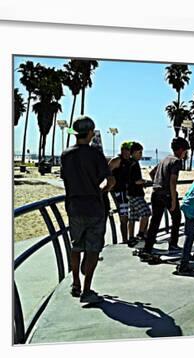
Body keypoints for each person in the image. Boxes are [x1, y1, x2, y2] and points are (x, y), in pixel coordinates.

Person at [60, 116, 115, 304]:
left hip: (74, 207)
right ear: (90, 133)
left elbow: (65, 179)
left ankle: (75, 283)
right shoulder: (95, 154)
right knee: (92, 250)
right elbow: (110, 181)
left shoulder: (66, 155)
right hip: (94, 207)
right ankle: (86, 289)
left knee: (76, 246)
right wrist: (101, 190)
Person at [141, 137, 190, 256]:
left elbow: (152, 172)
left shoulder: (164, 159)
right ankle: (173, 245)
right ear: (180, 150)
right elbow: (173, 182)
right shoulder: (176, 161)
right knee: (177, 218)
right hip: (167, 195)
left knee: (155, 221)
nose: (185, 154)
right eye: (185, 152)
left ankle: (148, 247)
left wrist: (158, 182)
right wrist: (173, 200)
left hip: (156, 193)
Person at [108, 141, 133, 243]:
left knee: (127, 216)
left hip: (127, 192)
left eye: (129, 151)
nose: (128, 153)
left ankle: (128, 238)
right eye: (126, 150)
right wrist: (111, 183)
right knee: (123, 216)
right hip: (119, 191)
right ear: (122, 150)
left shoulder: (130, 162)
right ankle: (124, 239)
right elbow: (107, 171)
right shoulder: (117, 160)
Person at [127, 142, 151, 246]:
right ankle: (140, 234)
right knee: (146, 212)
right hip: (136, 194)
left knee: (132, 217)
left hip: (130, 193)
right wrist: (146, 182)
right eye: (139, 152)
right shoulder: (135, 164)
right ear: (134, 153)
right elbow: (136, 180)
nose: (141, 154)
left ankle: (131, 238)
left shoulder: (128, 163)